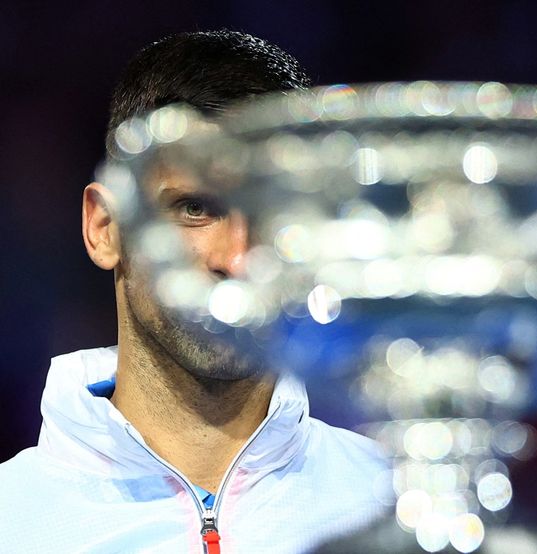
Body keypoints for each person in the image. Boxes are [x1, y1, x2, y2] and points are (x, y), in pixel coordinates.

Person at [0, 30, 389, 553]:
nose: (236, 259)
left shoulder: (397, 508)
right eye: (195, 209)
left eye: (271, 213)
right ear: (105, 227)